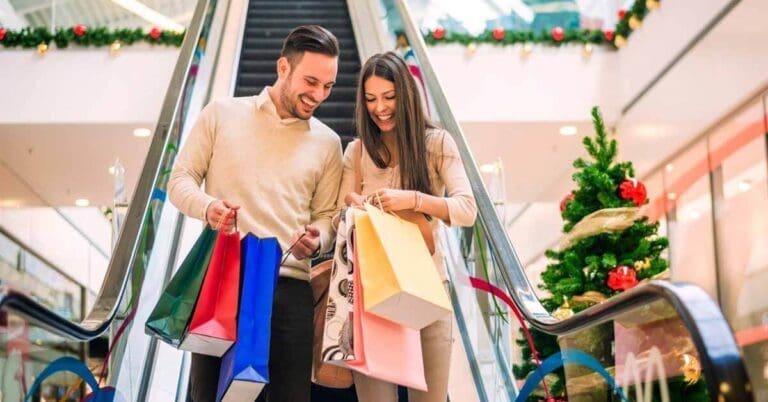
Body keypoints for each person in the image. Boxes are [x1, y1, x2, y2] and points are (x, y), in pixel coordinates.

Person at [168, 25, 343, 402]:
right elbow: (179, 179)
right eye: (311, 81)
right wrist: (208, 207)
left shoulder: (328, 143)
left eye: (328, 86)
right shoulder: (221, 114)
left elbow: (329, 216)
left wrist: (318, 237)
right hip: (223, 283)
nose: (318, 95)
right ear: (283, 67)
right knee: (211, 396)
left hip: (290, 287)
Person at [338, 51, 477, 402]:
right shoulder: (356, 152)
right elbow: (339, 213)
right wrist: (354, 207)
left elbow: (467, 209)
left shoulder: (436, 144)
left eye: (389, 97)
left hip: (429, 288)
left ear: (407, 95)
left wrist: (413, 200)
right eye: (370, 99)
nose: (380, 108)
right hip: (372, 294)